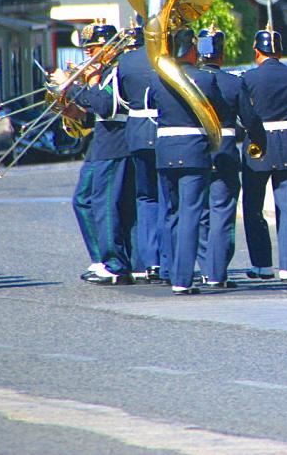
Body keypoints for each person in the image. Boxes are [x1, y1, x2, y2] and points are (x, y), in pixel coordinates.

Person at [147, 27, 225, 295]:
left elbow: (151, 112)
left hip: (166, 149)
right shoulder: (205, 79)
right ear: (193, 48)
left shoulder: (157, 79)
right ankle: (182, 279)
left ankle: (169, 271)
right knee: (191, 215)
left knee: (171, 213)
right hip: (194, 150)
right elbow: (218, 113)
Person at [64, 22, 135, 286]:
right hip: (100, 143)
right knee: (82, 200)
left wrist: (75, 88)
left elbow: (105, 106)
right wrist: (71, 109)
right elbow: (93, 111)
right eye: (87, 49)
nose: (89, 55)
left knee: (105, 204)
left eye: (93, 48)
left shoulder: (116, 71)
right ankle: (101, 258)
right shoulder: (104, 72)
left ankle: (115, 262)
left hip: (115, 143)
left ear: (108, 48)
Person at [196, 27, 265, 288]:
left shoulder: (188, 79)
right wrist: (260, 141)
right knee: (223, 213)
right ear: (221, 55)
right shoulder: (234, 82)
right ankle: (217, 271)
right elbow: (250, 120)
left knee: (200, 212)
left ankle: (205, 267)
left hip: (196, 150)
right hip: (225, 150)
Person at [241, 29, 287, 281]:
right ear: (279, 51)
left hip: (258, 143)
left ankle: (261, 265)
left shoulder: (248, 77)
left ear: (257, 51)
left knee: (253, 206)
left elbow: (244, 114)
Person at [114, 19, 164, 283]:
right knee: (167, 196)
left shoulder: (126, 62)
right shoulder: (168, 56)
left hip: (136, 131)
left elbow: (121, 98)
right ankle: (166, 258)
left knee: (145, 197)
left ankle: (149, 261)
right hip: (164, 130)